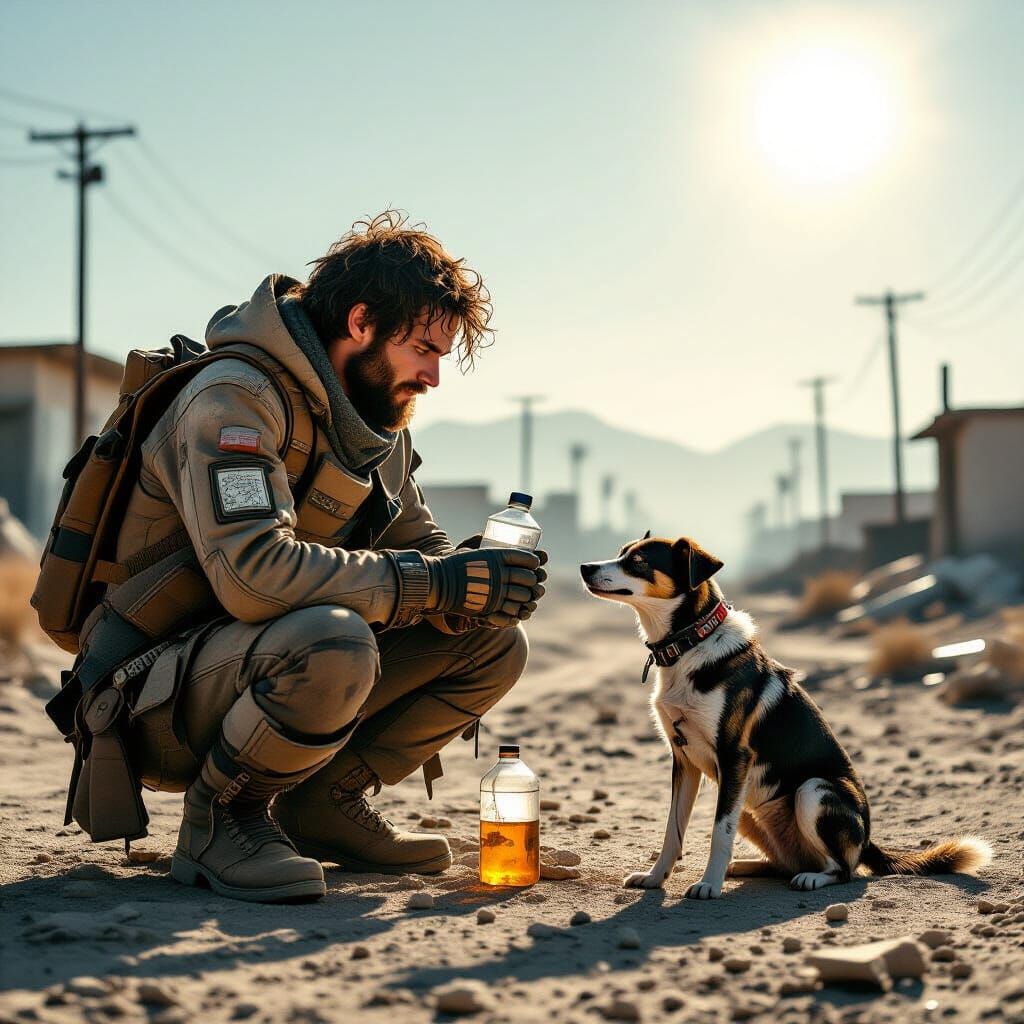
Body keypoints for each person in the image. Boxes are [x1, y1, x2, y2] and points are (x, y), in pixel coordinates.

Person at [95, 211, 546, 902]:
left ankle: (321, 805)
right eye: (423, 348)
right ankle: (223, 817)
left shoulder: (370, 420)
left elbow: (419, 548)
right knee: (334, 639)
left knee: (492, 642)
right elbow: (253, 575)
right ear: (362, 323)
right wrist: (432, 584)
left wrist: (472, 580)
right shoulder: (234, 398)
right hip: (150, 690)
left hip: (256, 663)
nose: (432, 376)